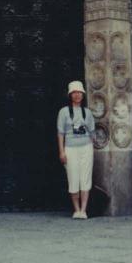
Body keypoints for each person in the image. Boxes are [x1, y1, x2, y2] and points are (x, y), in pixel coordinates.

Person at [57, 80, 96, 219]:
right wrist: (61, 151)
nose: (77, 95)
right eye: (74, 92)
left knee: (85, 178)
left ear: (83, 94)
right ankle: (76, 209)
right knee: (73, 178)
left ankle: (83, 210)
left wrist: (92, 146)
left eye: (79, 92)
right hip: (70, 148)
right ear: (70, 95)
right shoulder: (64, 112)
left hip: (86, 147)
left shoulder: (87, 112)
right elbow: (60, 132)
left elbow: (92, 133)